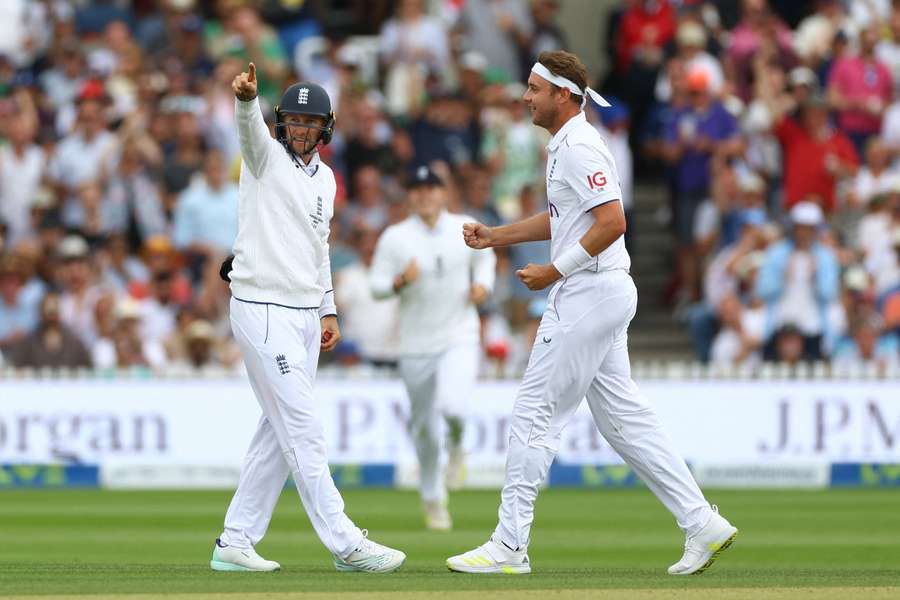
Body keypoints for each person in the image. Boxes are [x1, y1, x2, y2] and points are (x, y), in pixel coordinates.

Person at [446, 50, 736, 576]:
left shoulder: (579, 146)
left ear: (563, 94)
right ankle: (701, 522)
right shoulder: (566, 145)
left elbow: (612, 222)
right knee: (623, 420)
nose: (525, 96)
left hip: (589, 292)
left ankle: (509, 547)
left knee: (534, 413)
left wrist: (553, 272)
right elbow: (567, 219)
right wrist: (497, 236)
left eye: (534, 88)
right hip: (598, 291)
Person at [211, 63, 405, 574]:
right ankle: (345, 543)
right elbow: (249, 131)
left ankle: (235, 540)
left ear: (325, 129)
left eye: (310, 122)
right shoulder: (264, 159)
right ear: (281, 123)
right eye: (293, 121)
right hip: (259, 306)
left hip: (302, 312)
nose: (300, 129)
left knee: (277, 434)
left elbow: (319, 248)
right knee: (302, 427)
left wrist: (328, 308)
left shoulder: (327, 181)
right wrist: (247, 100)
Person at [369, 165, 497, 531]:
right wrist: (398, 282)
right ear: (409, 196)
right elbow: (375, 286)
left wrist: (483, 287)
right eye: (417, 189)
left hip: (459, 333)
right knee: (424, 429)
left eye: (431, 188)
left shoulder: (464, 226)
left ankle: (457, 445)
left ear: (443, 193)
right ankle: (433, 499)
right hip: (414, 345)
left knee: (453, 406)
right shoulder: (396, 237)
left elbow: (486, 255)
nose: (424, 195)